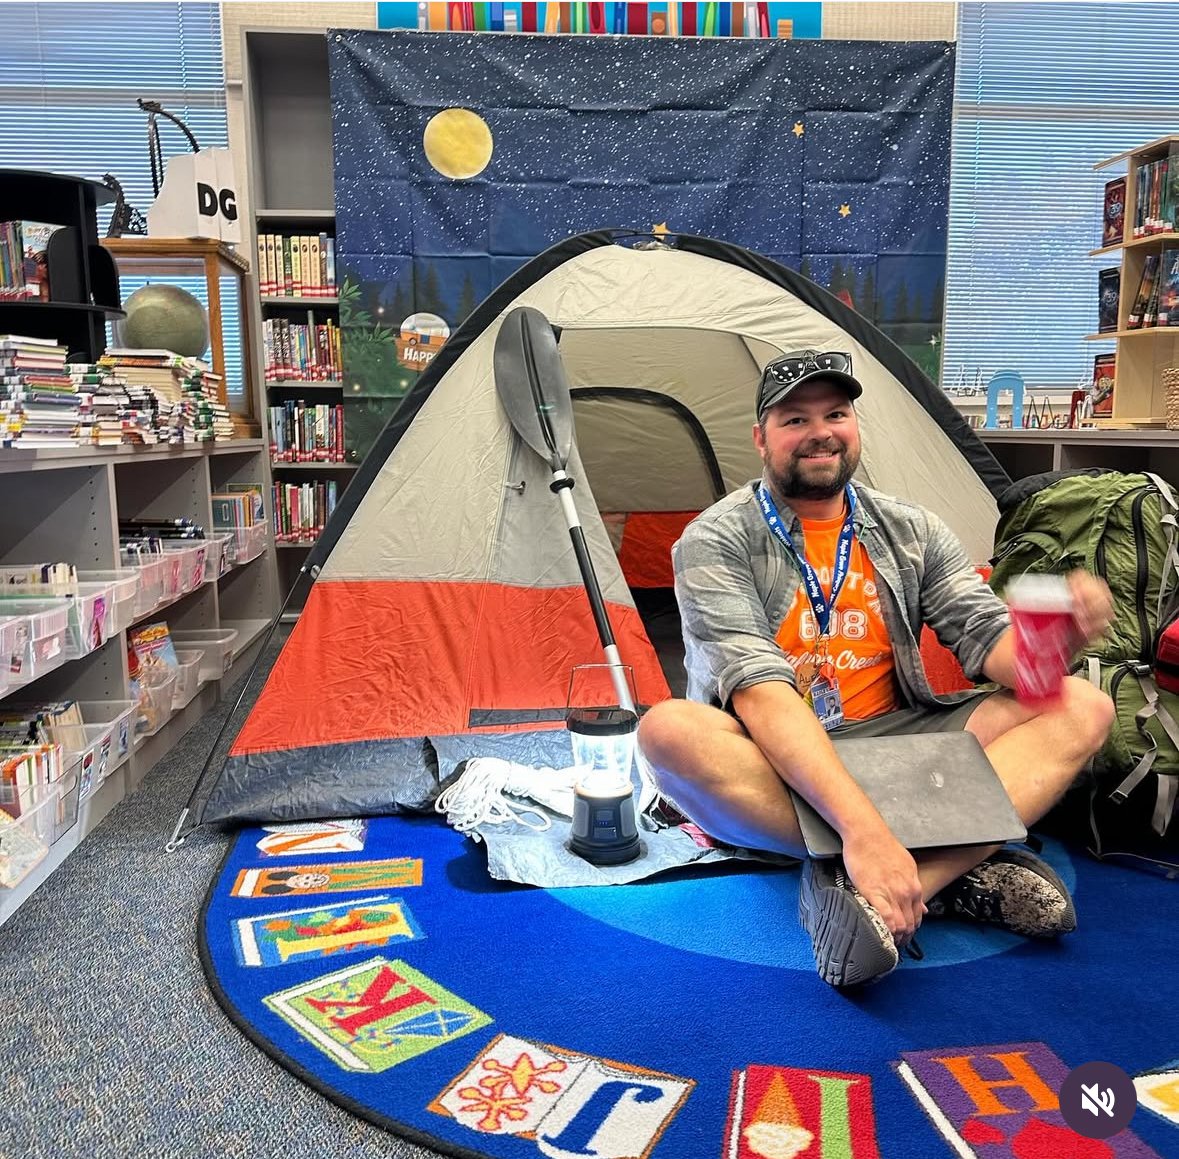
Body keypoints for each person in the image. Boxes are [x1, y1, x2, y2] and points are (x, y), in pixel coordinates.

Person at [637, 349, 1116, 989]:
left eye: (836, 414)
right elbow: (760, 692)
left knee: (1082, 704)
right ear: (760, 439)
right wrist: (864, 831)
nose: (820, 432)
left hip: (897, 746)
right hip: (775, 756)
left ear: (855, 427)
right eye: (795, 420)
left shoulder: (911, 528)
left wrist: (1051, 647)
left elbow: (986, 638)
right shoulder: (715, 538)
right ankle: (940, 858)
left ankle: (908, 884)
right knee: (668, 731)